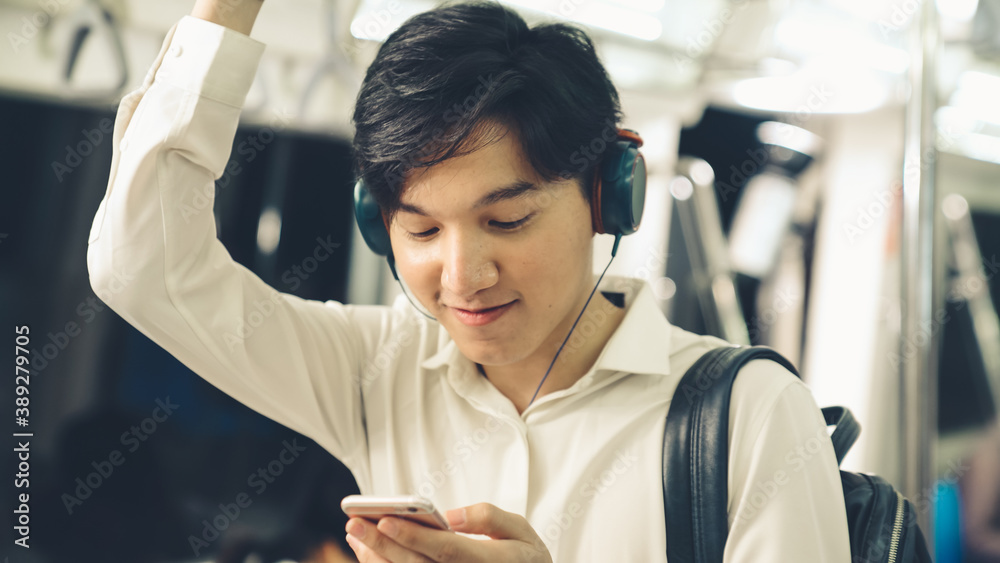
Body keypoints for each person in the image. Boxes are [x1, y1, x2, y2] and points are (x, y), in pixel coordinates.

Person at [86, 0, 852, 560]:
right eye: (420, 229)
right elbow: (143, 267)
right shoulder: (376, 369)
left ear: (606, 195)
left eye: (507, 220)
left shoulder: (747, 416)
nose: (461, 277)